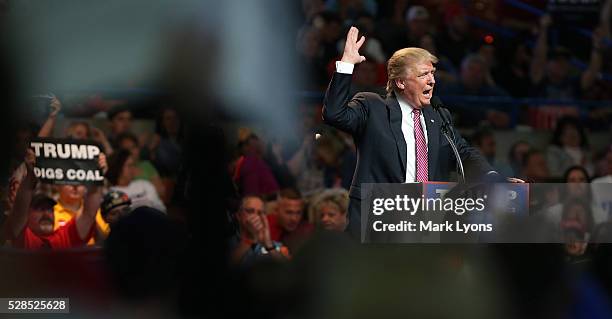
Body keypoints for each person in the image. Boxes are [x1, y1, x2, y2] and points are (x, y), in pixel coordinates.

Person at [323, 27, 519, 238]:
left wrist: (492, 177)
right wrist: (346, 66)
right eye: (424, 74)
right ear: (400, 82)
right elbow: (334, 114)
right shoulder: (373, 107)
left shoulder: (438, 115)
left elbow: (463, 152)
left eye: (432, 74)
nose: (432, 81)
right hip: (377, 220)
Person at [4, 150, 105, 249]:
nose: (47, 214)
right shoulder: (24, 239)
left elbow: (89, 213)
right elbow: (19, 212)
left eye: (50, 209)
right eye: (40, 209)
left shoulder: (63, 238)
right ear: (28, 215)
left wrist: (97, 176)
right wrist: (30, 177)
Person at [230, 196, 289, 265]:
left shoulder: (277, 246)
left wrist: (268, 245)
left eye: (260, 212)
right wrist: (249, 239)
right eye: (250, 211)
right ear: (239, 216)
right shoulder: (229, 244)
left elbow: (289, 269)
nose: (256, 216)